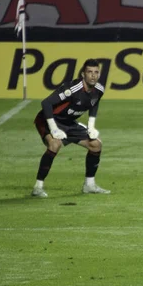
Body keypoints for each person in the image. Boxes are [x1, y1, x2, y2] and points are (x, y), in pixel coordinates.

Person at [31, 58, 109, 197]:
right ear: (83, 74)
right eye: (89, 72)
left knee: (96, 144)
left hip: (68, 123)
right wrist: (54, 129)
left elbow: (94, 102)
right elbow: (46, 103)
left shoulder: (99, 89)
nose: (93, 75)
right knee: (55, 144)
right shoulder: (72, 89)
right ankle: (38, 187)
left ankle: (89, 185)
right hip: (48, 120)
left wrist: (91, 126)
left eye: (96, 72)